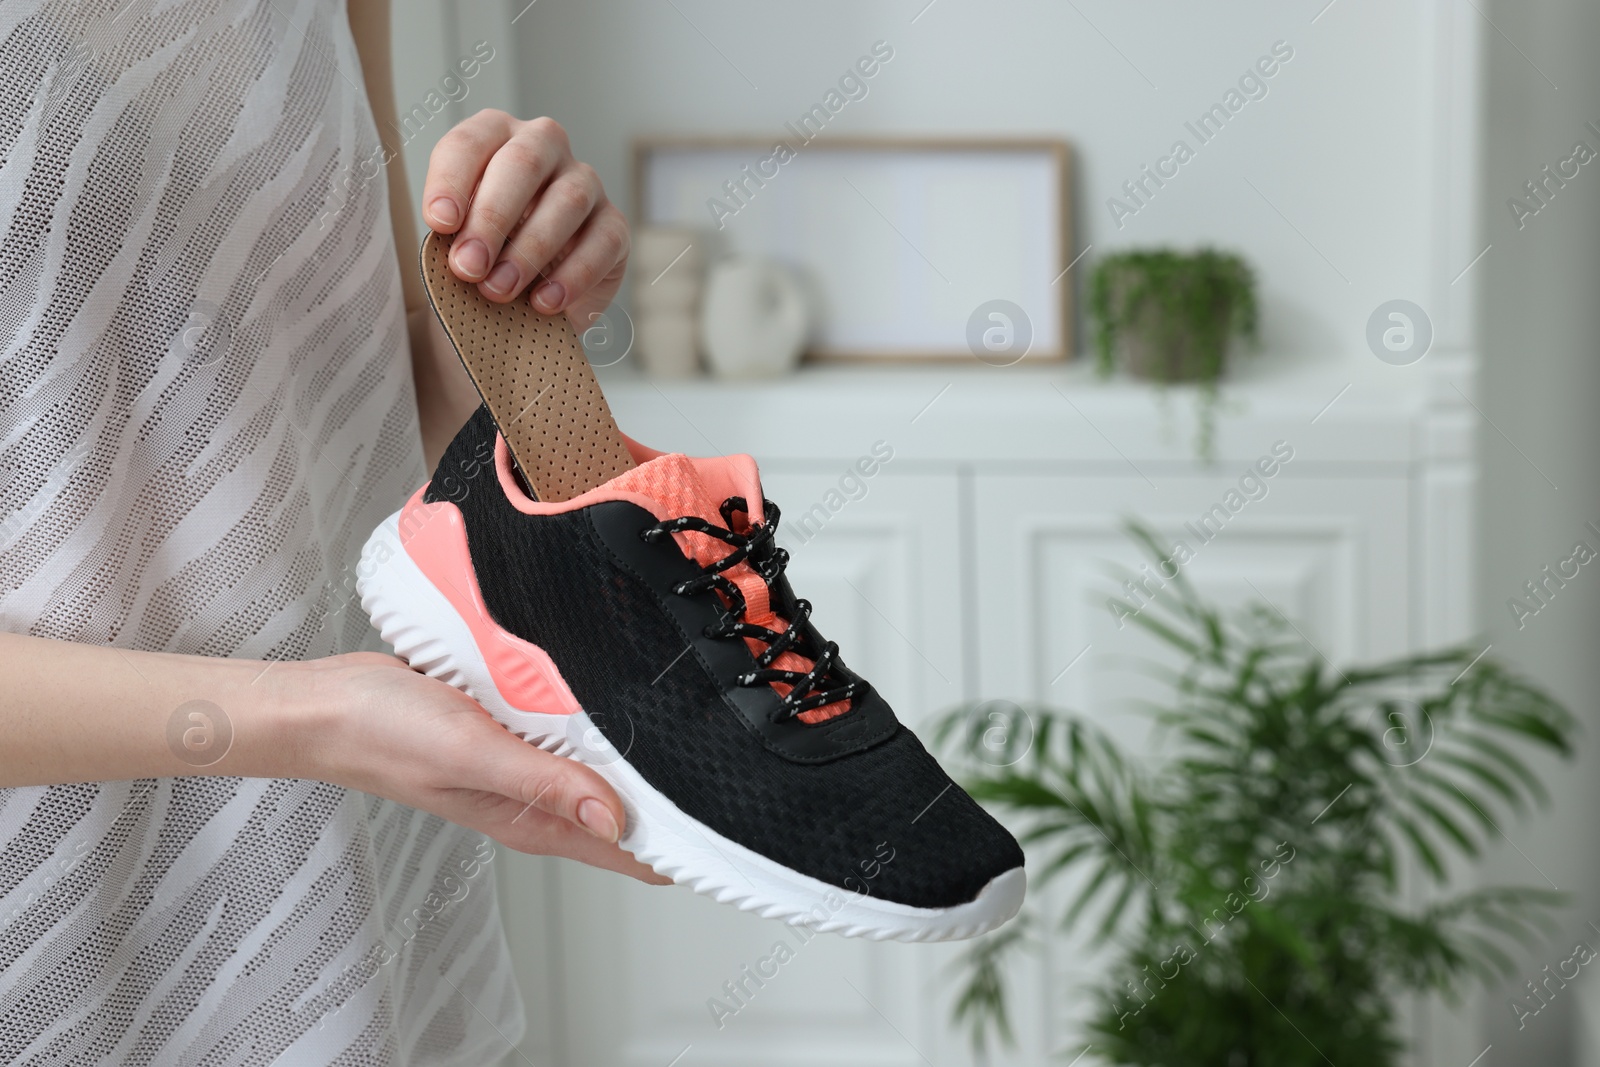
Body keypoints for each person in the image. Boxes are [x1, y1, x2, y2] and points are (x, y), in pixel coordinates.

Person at [0, 1, 659, 1062]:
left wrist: (504, 293)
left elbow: (383, 418)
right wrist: (303, 719)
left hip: (355, 906)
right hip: (64, 941)